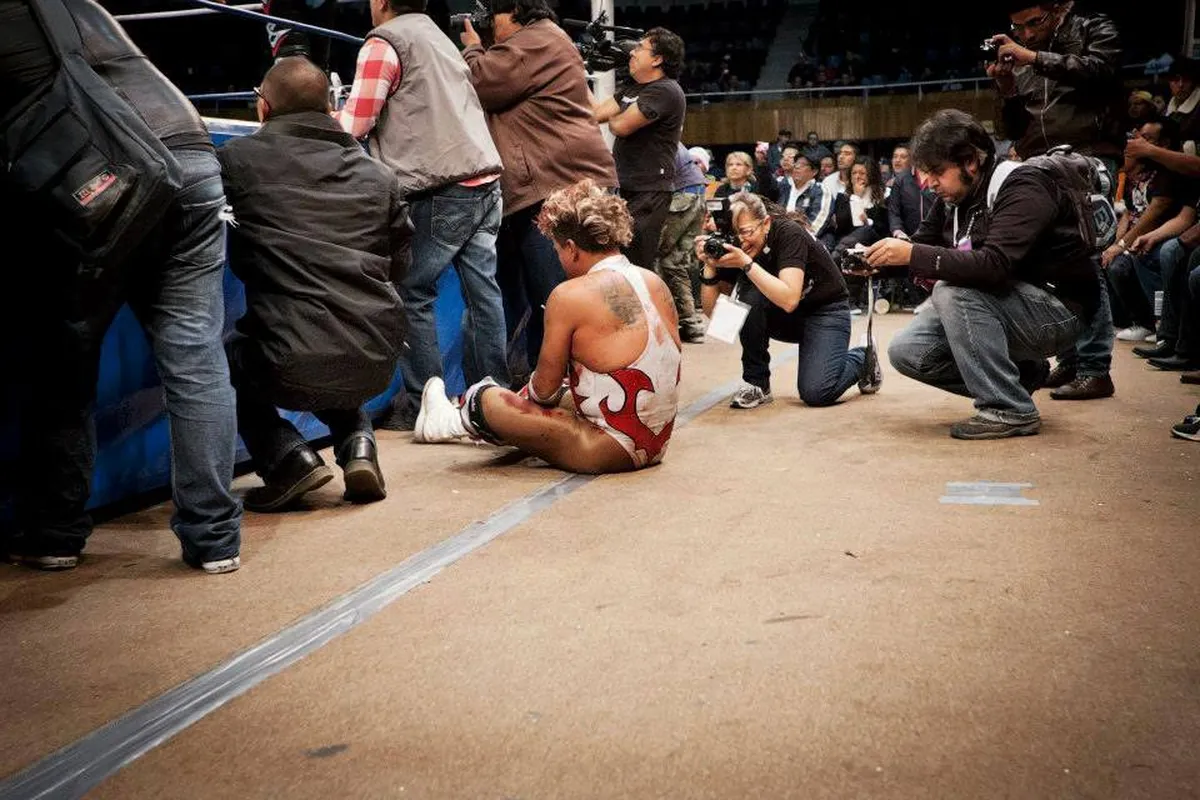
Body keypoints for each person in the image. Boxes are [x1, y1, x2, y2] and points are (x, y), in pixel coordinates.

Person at [1, 0, 241, 572]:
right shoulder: (81, 6)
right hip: (190, 156)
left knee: (66, 361)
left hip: (106, 175)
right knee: (196, 359)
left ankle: (56, 532)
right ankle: (214, 540)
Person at [218, 58, 411, 512]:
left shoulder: (235, 161)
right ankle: (358, 446)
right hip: (376, 357)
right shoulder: (380, 176)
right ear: (330, 107)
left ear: (262, 109)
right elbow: (399, 266)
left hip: (290, 357)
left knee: (221, 359)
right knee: (328, 345)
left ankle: (287, 461)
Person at [867, 110, 1101, 440]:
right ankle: (1020, 378)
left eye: (936, 172)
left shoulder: (1023, 185)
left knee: (951, 291)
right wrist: (880, 260)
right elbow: (922, 246)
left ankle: (1009, 408)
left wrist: (912, 254)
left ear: (970, 161)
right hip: (1009, 303)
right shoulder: (955, 195)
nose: (930, 183)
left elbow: (994, 266)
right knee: (908, 351)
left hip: (1059, 312)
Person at [428, 180, 681, 474]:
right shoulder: (654, 282)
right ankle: (461, 421)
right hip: (656, 444)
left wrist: (525, 400)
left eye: (558, 249)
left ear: (572, 248)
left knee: (486, 398)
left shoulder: (569, 294)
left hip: (605, 448)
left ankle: (450, 422)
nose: (559, 259)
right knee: (566, 393)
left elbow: (543, 391)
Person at [339, 0, 510, 431]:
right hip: (485, 179)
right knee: (483, 294)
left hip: (441, 186)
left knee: (413, 294)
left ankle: (422, 404)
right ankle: (494, 400)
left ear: (380, 2)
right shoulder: (440, 37)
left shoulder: (386, 42)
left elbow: (354, 124)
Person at [458, 0, 617, 376]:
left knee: (557, 300)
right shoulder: (545, 41)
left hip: (558, 188)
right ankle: (545, 387)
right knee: (547, 300)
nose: (490, 29)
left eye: (493, 19)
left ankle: (568, 391)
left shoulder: (535, 41)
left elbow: (482, 83)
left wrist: (472, 47)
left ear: (514, 12)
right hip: (557, 184)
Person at [987, 0, 1123, 400]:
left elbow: (1102, 71)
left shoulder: (1094, 27)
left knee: (1083, 254)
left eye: (1034, 23)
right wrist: (1008, 90)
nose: (1025, 34)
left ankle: (1096, 366)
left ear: (1060, 9)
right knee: (1046, 260)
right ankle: (1071, 360)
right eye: (1017, 27)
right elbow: (1013, 128)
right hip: (1039, 163)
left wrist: (1033, 58)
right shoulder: (1026, 59)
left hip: (1088, 154)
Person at [697, 191, 881, 410]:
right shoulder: (734, 244)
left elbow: (789, 300)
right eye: (735, 233)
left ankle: (863, 358)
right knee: (750, 295)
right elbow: (716, 317)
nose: (742, 241)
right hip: (784, 317)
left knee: (817, 392)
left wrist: (746, 264)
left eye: (746, 232)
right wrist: (710, 265)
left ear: (766, 223)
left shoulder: (788, 233)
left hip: (824, 311)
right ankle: (756, 383)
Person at [592, 27, 687, 274]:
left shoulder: (666, 90)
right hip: (626, 186)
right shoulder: (632, 88)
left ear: (657, 59)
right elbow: (595, 114)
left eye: (639, 48)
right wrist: (573, 73)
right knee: (617, 259)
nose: (631, 53)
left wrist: (616, 116)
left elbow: (621, 127)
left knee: (636, 264)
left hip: (649, 190)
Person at [656, 144, 709, 342]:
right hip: (697, 194)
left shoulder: (650, 133)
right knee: (674, 262)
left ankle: (660, 322)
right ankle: (691, 324)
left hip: (682, 195)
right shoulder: (669, 137)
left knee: (653, 253)